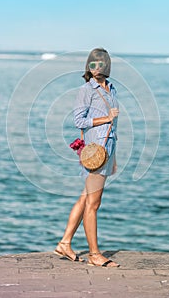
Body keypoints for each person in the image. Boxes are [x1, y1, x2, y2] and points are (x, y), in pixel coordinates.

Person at [54, 48, 120, 267]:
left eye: (100, 64)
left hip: (106, 150)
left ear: (107, 66)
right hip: (94, 153)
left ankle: (64, 243)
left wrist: (114, 157)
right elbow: (79, 121)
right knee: (93, 203)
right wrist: (105, 117)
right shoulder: (86, 90)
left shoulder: (112, 88)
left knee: (85, 198)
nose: (96, 68)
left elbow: (113, 125)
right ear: (88, 67)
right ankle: (94, 255)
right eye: (92, 65)